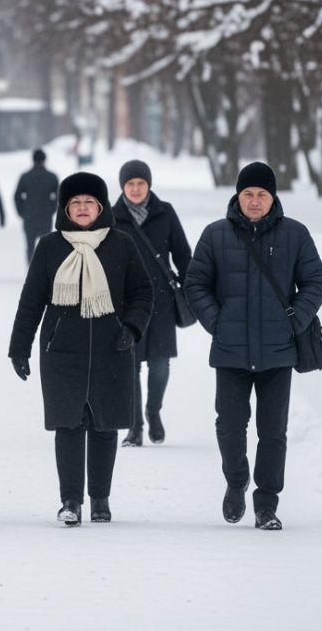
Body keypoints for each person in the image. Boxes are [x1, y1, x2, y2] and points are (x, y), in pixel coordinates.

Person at [183, 161, 322, 531]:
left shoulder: (295, 234)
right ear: (237, 195)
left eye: (262, 194)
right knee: (230, 426)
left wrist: (293, 322)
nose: (254, 200)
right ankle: (236, 481)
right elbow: (195, 282)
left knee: (272, 431)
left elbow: (315, 281)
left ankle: (266, 504)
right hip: (230, 351)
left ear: (273, 197)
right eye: (248, 193)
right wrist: (217, 322)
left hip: (278, 351)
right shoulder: (215, 235)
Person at [8, 172, 153, 526]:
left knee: (104, 427)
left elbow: (143, 292)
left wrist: (131, 329)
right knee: (68, 425)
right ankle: (70, 501)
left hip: (112, 350)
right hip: (61, 353)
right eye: (76, 202)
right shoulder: (50, 245)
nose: (83, 208)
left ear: (101, 207)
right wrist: (19, 347)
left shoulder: (121, 244)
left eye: (90, 202)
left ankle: (100, 499)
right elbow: (31, 301)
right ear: (65, 208)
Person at [111, 160, 192, 447]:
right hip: (126, 304)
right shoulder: (111, 217)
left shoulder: (165, 212)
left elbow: (183, 254)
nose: (135, 189)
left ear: (149, 185)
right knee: (129, 365)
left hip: (161, 301)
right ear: (123, 186)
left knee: (160, 365)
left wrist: (194, 288)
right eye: (130, 184)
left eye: (140, 183)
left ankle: (153, 410)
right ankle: (135, 427)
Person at [13, 148, 60, 263]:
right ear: (44, 160)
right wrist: (52, 209)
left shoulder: (25, 176)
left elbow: (17, 196)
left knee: (30, 247)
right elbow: (59, 197)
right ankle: (44, 271)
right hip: (45, 217)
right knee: (45, 246)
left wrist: (22, 212)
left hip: (29, 217)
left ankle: (31, 271)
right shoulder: (51, 176)